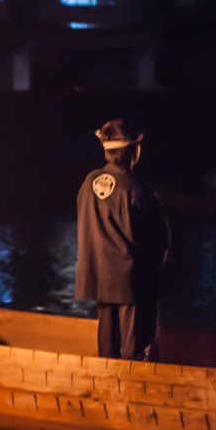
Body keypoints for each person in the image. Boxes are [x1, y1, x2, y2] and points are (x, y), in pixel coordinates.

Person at [76, 119, 170, 361]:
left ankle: (108, 392)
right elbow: (161, 240)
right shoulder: (138, 189)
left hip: (100, 278)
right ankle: (133, 393)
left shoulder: (88, 183)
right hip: (132, 282)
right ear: (131, 151)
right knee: (135, 350)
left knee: (107, 347)